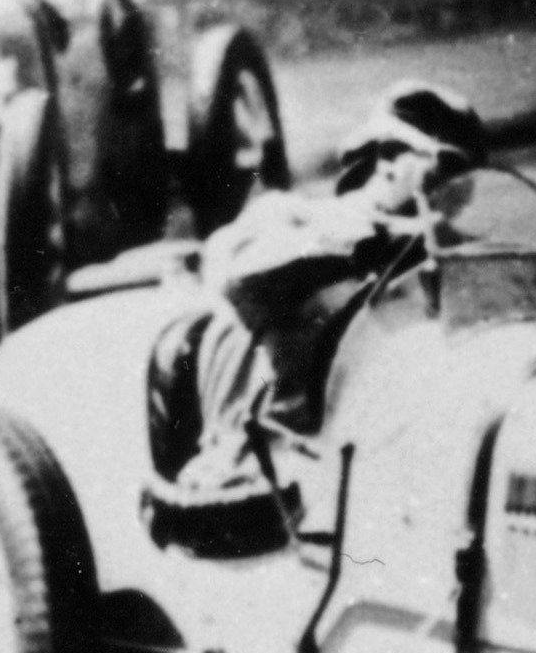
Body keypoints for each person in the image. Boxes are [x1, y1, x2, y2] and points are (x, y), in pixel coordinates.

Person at [144, 80, 487, 548]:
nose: (458, 189)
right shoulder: (296, 218)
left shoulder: (452, 248)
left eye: (466, 174)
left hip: (404, 443)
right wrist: (365, 241)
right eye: (445, 167)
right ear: (386, 159)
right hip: (283, 453)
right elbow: (234, 270)